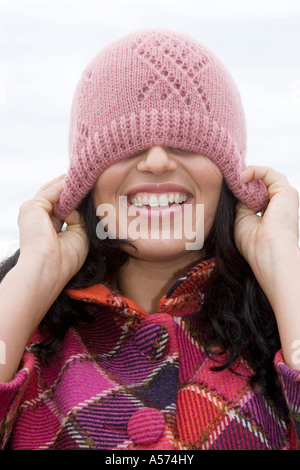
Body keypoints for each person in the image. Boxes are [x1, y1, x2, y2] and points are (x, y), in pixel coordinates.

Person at [0, 28, 299, 451]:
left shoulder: (282, 320)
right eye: (124, 147)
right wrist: (36, 272)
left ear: (229, 176)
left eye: (186, 144)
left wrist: (282, 261)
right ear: (85, 179)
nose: (157, 162)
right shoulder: (25, 321)